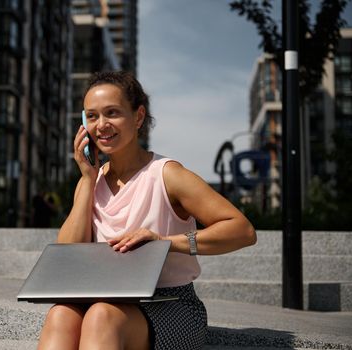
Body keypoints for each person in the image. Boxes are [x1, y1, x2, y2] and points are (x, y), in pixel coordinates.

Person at [37, 71, 257, 350]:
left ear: (138, 117)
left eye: (112, 113)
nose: (101, 125)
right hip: (108, 300)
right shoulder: (90, 180)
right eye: (92, 116)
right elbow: (67, 256)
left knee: (101, 315)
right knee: (61, 314)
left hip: (171, 304)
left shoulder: (168, 174)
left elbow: (243, 230)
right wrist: (87, 180)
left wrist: (166, 243)